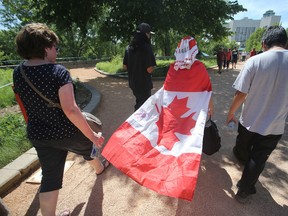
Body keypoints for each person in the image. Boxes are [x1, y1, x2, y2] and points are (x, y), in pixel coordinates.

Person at [13, 23, 109, 216]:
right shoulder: (58, 72)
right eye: (55, 47)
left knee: (50, 177)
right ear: (46, 47)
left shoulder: (19, 72)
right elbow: (71, 110)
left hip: (40, 134)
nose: (56, 51)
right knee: (88, 148)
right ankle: (99, 168)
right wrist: (92, 136)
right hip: (67, 132)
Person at [226, 26, 288, 203]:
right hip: (274, 125)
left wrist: (231, 113)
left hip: (249, 120)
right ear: (285, 43)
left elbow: (241, 94)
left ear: (263, 43)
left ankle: (241, 155)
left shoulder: (255, 61)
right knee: (259, 158)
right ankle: (244, 190)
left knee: (243, 147)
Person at [123, 22, 156, 111]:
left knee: (139, 101)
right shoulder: (147, 48)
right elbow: (149, 70)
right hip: (144, 84)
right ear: (145, 34)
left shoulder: (128, 48)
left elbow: (125, 67)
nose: (149, 36)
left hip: (133, 83)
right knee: (144, 107)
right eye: (149, 34)